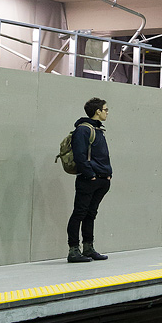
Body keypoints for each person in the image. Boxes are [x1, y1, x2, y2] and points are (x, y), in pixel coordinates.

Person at [65, 97, 112, 263]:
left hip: (100, 179)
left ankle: (88, 248)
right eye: (105, 110)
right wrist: (90, 175)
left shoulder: (98, 130)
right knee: (79, 213)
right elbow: (80, 156)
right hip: (88, 180)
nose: (107, 113)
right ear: (97, 111)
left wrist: (107, 175)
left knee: (90, 214)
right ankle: (73, 250)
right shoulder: (84, 130)